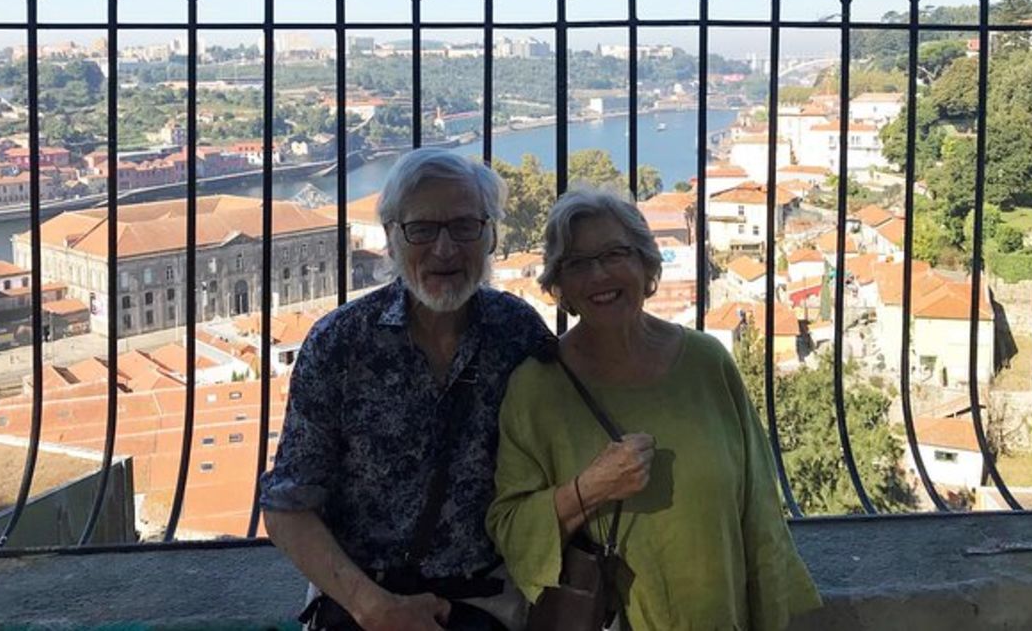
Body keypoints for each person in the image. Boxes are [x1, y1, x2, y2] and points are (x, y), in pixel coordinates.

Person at [487, 189, 822, 630]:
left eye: (615, 254)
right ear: (559, 286)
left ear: (646, 264)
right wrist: (591, 488)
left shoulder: (707, 363)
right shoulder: (537, 387)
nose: (599, 274)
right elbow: (510, 527)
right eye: (578, 263)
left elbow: (760, 514)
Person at [261, 148, 554, 631]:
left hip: (483, 607)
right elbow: (287, 506)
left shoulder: (518, 334)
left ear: (490, 236)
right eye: (422, 228)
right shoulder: (341, 344)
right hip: (361, 605)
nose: (445, 249)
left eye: (464, 226)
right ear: (391, 237)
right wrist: (374, 607)